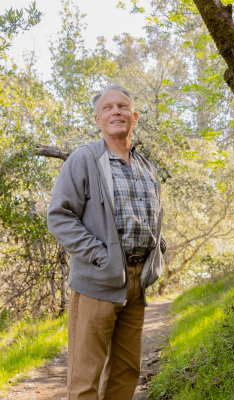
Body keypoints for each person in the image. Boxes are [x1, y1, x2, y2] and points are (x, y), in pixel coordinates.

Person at [47, 84, 165, 400]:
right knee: (85, 378)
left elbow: (150, 216)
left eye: (123, 107)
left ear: (134, 116)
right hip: (97, 281)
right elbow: (59, 217)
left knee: (126, 371)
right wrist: (100, 255)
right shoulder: (84, 159)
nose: (116, 112)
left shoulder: (146, 167)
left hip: (137, 282)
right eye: (108, 108)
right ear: (98, 119)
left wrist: (158, 249)